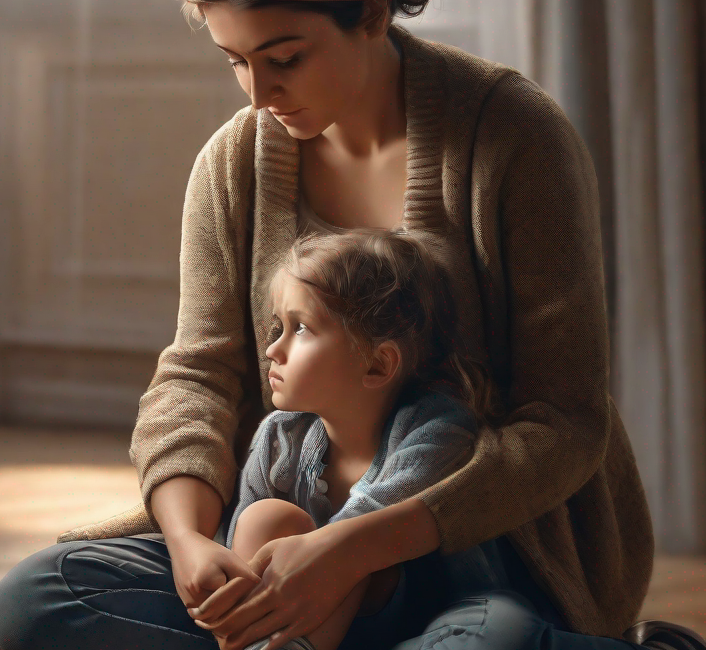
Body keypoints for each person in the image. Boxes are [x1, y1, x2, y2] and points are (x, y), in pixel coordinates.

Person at [0, 2, 706, 650]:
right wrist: (186, 547)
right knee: (36, 602)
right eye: (235, 60)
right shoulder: (232, 164)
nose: (258, 92)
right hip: (286, 544)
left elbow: (565, 421)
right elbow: (197, 377)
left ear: (371, 10)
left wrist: (348, 553)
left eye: (284, 58)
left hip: (477, 556)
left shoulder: (515, 137)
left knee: (491, 637)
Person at [205, 229, 508, 650]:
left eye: (302, 329)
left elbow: (362, 535)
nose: (273, 349)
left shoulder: (436, 431)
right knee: (264, 518)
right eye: (278, 326)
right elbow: (241, 539)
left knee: (353, 548)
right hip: (310, 613)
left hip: (420, 617)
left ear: (378, 365)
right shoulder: (281, 433)